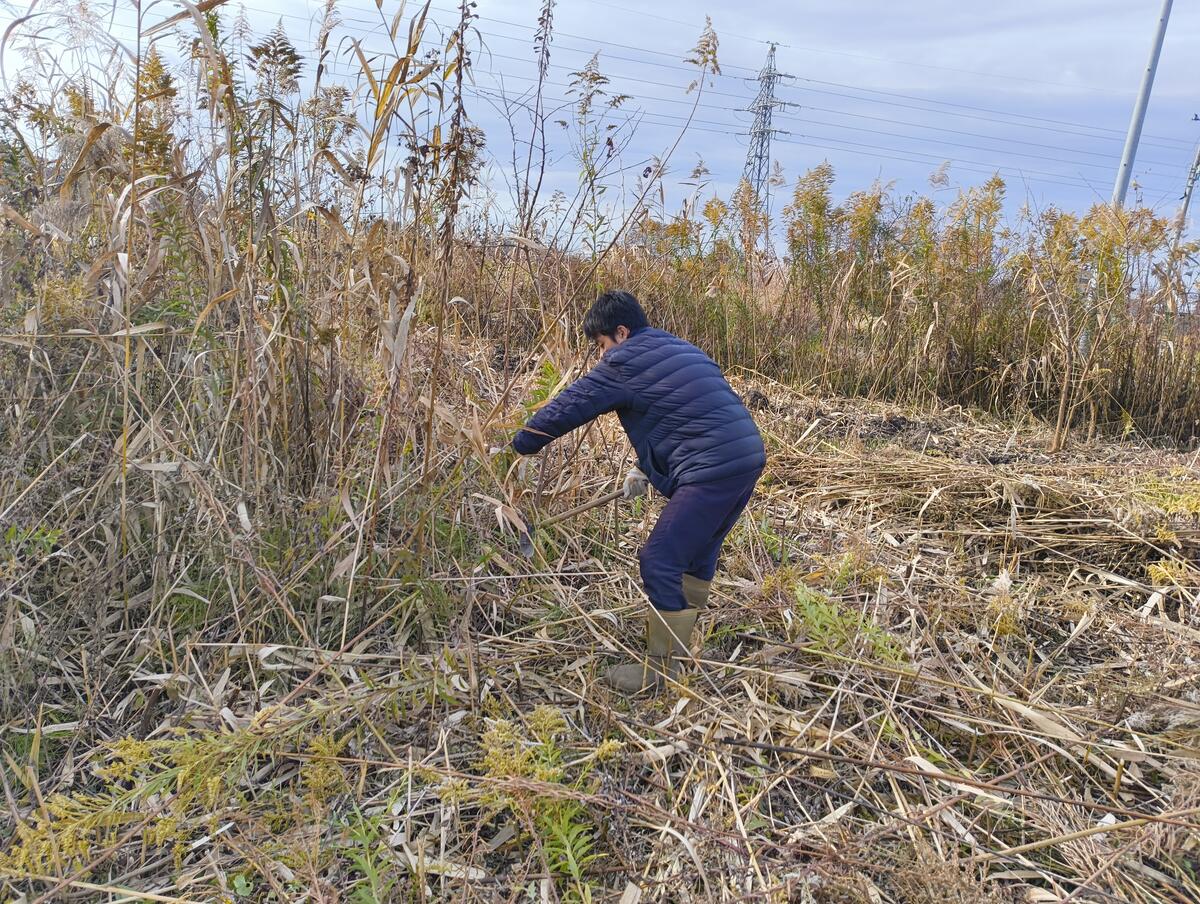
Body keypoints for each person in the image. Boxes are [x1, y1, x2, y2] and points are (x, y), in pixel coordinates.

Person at [511, 290, 766, 694]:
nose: (601, 356)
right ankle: (681, 648)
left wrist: (520, 445)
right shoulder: (681, 348)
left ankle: (662, 671)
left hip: (709, 470)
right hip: (746, 458)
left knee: (659, 558)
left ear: (621, 332)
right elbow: (686, 412)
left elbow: (570, 405)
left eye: (601, 345)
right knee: (696, 554)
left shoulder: (623, 361)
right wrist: (645, 468)